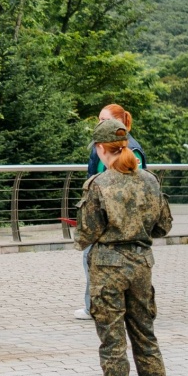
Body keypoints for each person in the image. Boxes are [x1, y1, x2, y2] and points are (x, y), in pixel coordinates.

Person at [75, 118, 174, 376]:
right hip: (142, 266)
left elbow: (85, 234)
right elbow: (163, 226)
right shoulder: (150, 180)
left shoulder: (98, 184)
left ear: (101, 149)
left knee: (113, 343)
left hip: (108, 269)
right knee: (146, 337)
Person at [75, 103, 147, 321]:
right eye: (99, 119)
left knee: (99, 258)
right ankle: (101, 306)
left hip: (118, 220)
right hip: (107, 216)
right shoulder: (101, 146)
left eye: (105, 120)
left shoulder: (130, 149)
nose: (100, 123)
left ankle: (100, 307)